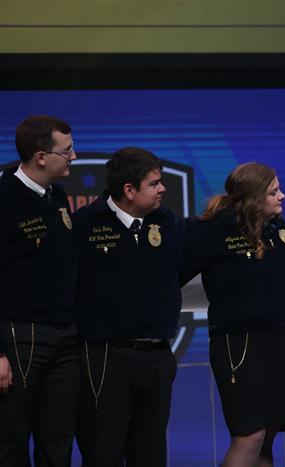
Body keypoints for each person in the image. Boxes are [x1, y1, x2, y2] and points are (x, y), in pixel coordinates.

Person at [180, 162, 285, 467]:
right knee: (250, 436)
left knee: (269, 435)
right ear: (253, 198)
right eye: (274, 192)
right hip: (239, 345)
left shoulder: (277, 227)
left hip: (280, 340)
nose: (282, 196)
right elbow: (175, 275)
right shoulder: (215, 229)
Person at [72, 147, 186, 467]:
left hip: (158, 356)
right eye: (154, 183)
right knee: (103, 452)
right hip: (106, 357)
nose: (162, 189)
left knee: (151, 455)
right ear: (129, 190)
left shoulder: (169, 222)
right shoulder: (84, 225)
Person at [0, 115, 80, 467]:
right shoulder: (4, 198)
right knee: (11, 439)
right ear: (41, 157)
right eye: (67, 150)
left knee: (59, 438)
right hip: (19, 336)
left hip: (65, 335)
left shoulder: (57, 195)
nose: (74, 156)